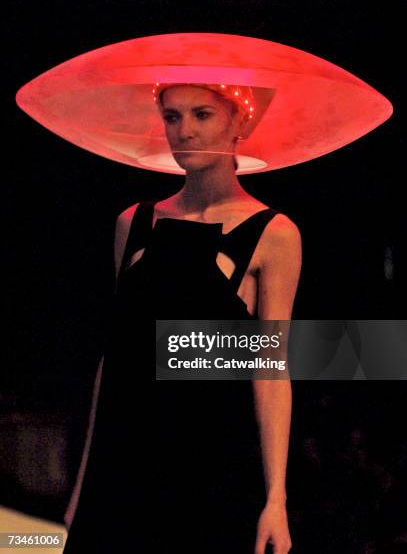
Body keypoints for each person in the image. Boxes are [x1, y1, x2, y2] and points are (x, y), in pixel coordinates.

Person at [62, 82, 301, 554]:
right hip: (122, 467)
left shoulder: (274, 233)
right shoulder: (133, 222)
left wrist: (277, 499)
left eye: (202, 115)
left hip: (209, 471)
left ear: (241, 122)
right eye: (172, 117)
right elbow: (115, 360)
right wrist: (81, 485)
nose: (184, 131)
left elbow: (270, 370)